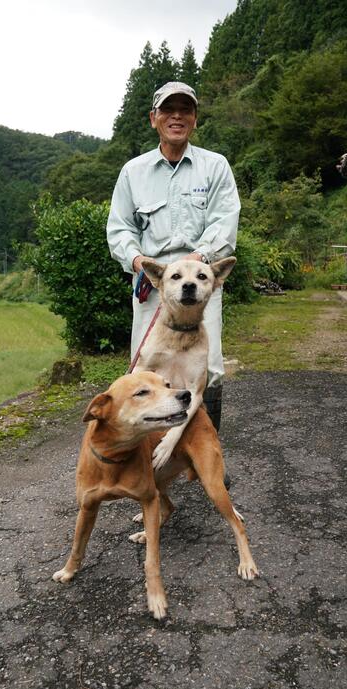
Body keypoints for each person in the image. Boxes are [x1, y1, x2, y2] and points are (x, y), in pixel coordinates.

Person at [106, 81, 240, 434]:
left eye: (185, 110)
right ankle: (145, 455)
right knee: (146, 372)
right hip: (154, 285)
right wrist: (139, 263)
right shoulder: (133, 172)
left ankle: (205, 451)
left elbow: (225, 222)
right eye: (168, 110)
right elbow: (120, 229)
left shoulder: (215, 166)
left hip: (200, 281)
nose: (176, 116)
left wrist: (193, 266)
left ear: (195, 119)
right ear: (154, 119)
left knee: (207, 368)